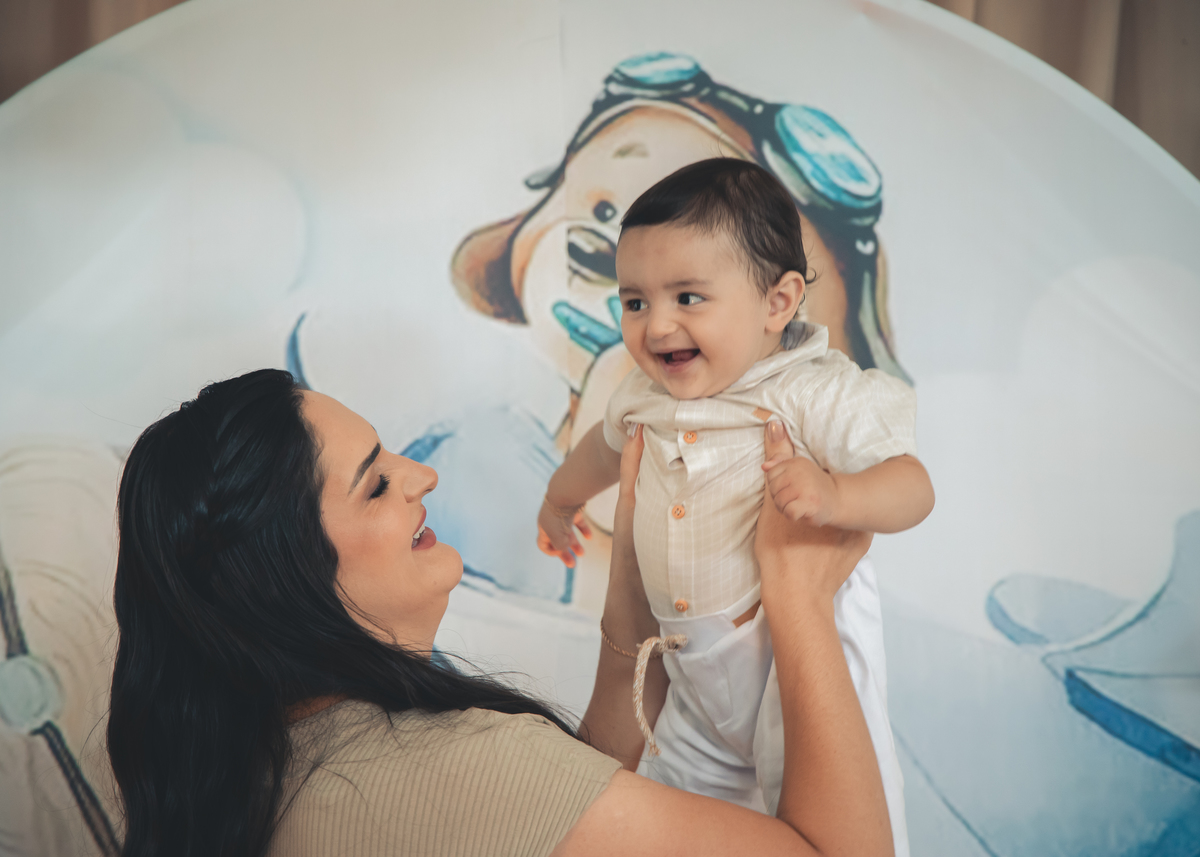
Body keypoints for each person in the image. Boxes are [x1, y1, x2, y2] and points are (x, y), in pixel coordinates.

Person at [105, 368, 892, 857]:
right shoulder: (447, 767)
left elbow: (561, 812)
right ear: (279, 578)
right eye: (376, 484)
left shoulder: (255, 774)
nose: (421, 476)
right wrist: (799, 598)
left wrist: (632, 573)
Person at [537, 158, 935, 854]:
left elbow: (912, 486)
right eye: (635, 303)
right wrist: (558, 499)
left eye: (688, 297)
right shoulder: (643, 396)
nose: (657, 326)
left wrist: (837, 495)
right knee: (677, 809)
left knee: (834, 813)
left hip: (792, 658)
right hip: (688, 664)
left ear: (778, 303)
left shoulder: (812, 391)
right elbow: (601, 453)